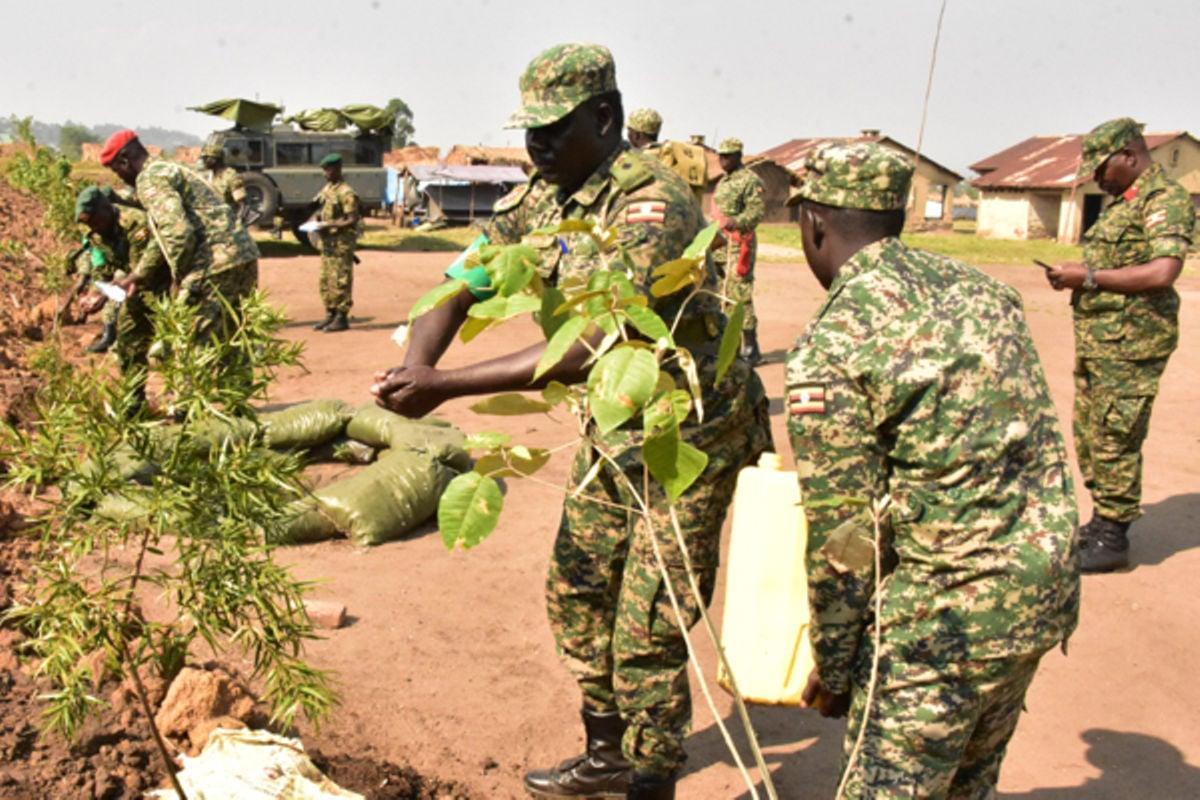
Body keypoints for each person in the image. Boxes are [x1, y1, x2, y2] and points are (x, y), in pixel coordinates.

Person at [371, 43, 771, 800]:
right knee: (578, 589)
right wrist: (412, 367)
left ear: (606, 116)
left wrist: (445, 385)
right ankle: (608, 754)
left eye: (553, 129)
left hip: (684, 434)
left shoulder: (649, 205)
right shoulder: (543, 197)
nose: (537, 146)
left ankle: (652, 780)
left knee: (648, 627)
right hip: (612, 433)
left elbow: (601, 340)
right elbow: (462, 282)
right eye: (530, 131)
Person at [786, 142, 1079, 798]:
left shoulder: (833, 346)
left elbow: (844, 536)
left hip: (939, 626)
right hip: (1035, 594)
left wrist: (836, 665)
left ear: (813, 223)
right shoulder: (985, 293)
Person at [1045, 117, 1195, 573]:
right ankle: (1103, 518)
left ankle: (1113, 537)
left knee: (1115, 435)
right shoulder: (1123, 203)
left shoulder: (1163, 200)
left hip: (1132, 345)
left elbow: (1162, 271)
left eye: (1101, 167)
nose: (1096, 178)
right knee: (1092, 435)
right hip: (1103, 343)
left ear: (1129, 156)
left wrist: (1087, 278)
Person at [98, 129, 259, 350]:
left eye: (116, 171)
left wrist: (180, 279)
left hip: (212, 266)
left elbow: (178, 233)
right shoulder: (173, 168)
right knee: (233, 349)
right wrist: (138, 275)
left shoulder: (150, 178)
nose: (120, 178)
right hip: (242, 257)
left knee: (189, 353)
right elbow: (164, 237)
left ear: (124, 160)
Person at [73, 186, 170, 400]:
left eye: (96, 221)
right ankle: (134, 401)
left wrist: (106, 295)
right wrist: (95, 294)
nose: (94, 228)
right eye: (89, 224)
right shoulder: (96, 232)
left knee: (172, 345)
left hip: (166, 287)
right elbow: (105, 269)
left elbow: (140, 271)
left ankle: (184, 403)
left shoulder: (135, 223)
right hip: (137, 290)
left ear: (107, 209)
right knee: (129, 342)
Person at [712, 138, 765, 364]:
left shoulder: (750, 181)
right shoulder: (723, 181)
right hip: (719, 246)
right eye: (720, 155)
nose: (723, 160)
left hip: (739, 244)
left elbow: (757, 212)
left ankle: (751, 347)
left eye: (728, 156)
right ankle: (729, 344)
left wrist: (737, 221)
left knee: (740, 295)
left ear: (738, 156)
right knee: (721, 295)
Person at [310, 153, 361, 333]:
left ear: (338, 169)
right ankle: (330, 314)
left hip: (341, 244)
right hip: (327, 244)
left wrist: (329, 225)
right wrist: (317, 219)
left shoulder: (346, 193)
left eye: (328, 169)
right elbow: (322, 208)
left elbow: (351, 219)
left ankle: (341, 317)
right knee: (326, 280)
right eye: (324, 170)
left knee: (340, 280)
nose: (325, 173)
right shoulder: (328, 189)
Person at [199, 142, 247, 220]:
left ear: (214, 159)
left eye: (206, 158)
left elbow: (242, 205)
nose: (204, 161)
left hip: (227, 220)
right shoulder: (207, 175)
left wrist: (236, 224)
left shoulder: (231, 176)